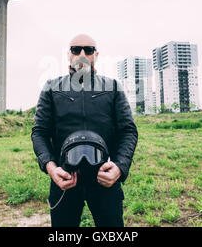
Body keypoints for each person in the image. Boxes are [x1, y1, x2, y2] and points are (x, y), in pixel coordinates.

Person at [31, 34, 138, 227]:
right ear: (68, 55)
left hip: (105, 178)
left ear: (96, 55)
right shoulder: (51, 87)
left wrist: (120, 167)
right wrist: (51, 168)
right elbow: (39, 132)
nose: (82, 54)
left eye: (88, 50)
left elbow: (128, 131)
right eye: (76, 49)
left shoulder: (113, 87)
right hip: (64, 178)